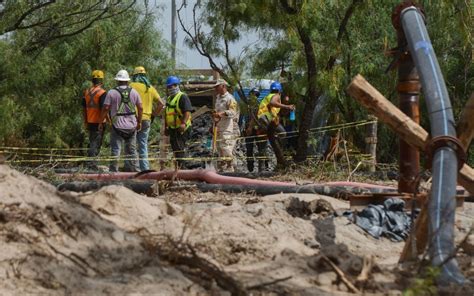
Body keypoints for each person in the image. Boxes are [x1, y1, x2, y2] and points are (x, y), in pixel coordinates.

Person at [99, 70, 142, 172]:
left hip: (117, 126)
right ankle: (136, 171)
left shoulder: (111, 92)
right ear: (127, 81)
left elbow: (105, 108)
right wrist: (139, 122)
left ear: (117, 81)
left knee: (115, 150)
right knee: (132, 151)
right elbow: (140, 108)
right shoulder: (134, 92)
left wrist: (101, 122)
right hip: (132, 126)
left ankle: (113, 172)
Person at [130, 66, 164, 171]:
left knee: (132, 144)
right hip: (147, 119)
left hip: (134, 119)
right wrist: (154, 114)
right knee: (143, 144)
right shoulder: (150, 88)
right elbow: (161, 104)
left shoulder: (131, 86)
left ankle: (134, 168)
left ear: (135, 76)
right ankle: (145, 169)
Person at [257, 81, 295, 168]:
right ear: (280, 91)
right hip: (266, 118)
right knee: (283, 134)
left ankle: (262, 168)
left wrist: (287, 109)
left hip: (262, 119)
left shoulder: (268, 96)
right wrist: (287, 106)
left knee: (264, 142)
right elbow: (272, 103)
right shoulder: (277, 96)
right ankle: (280, 155)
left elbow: (272, 107)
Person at [164, 75, 193, 169]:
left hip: (182, 129)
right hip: (173, 129)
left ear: (176, 85)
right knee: (176, 151)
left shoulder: (182, 97)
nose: (170, 88)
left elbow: (187, 111)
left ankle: (182, 170)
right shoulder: (169, 99)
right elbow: (167, 114)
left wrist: (183, 123)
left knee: (180, 150)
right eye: (168, 87)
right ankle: (179, 169)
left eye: (172, 86)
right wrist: (166, 127)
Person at [82, 70, 107, 170]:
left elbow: (84, 109)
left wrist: (85, 121)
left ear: (92, 80)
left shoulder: (86, 92)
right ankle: (91, 164)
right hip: (98, 122)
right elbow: (104, 109)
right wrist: (102, 122)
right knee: (96, 143)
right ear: (101, 81)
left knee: (92, 141)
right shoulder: (102, 93)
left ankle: (91, 163)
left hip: (90, 121)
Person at [213, 79, 239, 172]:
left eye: (217, 86)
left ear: (223, 86)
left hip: (227, 126)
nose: (215, 88)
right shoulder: (218, 98)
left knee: (225, 146)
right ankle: (222, 168)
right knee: (219, 148)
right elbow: (216, 113)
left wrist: (222, 113)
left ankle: (230, 166)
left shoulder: (230, 98)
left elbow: (233, 112)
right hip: (218, 126)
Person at [244, 88, 269, 172]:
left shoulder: (259, 105)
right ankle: (250, 169)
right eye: (252, 95)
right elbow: (243, 118)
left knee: (262, 149)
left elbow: (257, 118)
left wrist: (251, 127)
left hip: (258, 130)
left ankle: (265, 168)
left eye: (255, 95)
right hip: (248, 130)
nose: (253, 97)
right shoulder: (247, 106)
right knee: (249, 149)